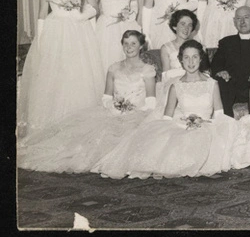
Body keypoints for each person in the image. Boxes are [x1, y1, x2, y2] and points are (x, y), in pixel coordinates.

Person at [93, 40, 237, 179]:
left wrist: (204, 123)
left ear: (201, 59)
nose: (191, 62)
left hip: (206, 128)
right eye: (186, 58)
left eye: (195, 57)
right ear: (181, 60)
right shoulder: (176, 86)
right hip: (183, 128)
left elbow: (219, 115)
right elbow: (167, 118)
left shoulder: (212, 84)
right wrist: (182, 125)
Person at [18, 30, 157, 173]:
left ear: (141, 46)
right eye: (126, 43)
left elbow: (151, 101)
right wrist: (114, 109)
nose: (129, 47)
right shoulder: (114, 68)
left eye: (133, 43)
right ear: (122, 46)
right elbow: (107, 97)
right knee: (85, 140)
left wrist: (133, 112)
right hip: (113, 112)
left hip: (138, 114)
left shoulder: (147, 70)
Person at [18, 0, 102, 136]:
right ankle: (54, 122)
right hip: (55, 29)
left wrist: (81, 16)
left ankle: (78, 123)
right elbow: (41, 12)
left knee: (78, 74)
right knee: (56, 74)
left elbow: (94, 6)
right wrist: (40, 39)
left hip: (78, 30)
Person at [210, 6, 250, 117]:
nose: (242, 22)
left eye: (246, 17)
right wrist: (221, 71)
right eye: (239, 18)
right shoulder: (226, 42)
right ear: (234, 22)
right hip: (231, 87)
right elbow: (216, 63)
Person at [159, 9, 199, 89]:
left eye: (190, 25)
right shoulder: (166, 48)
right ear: (174, 26)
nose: (186, 28)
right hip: (175, 86)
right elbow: (166, 76)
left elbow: (204, 72)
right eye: (182, 24)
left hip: (195, 84)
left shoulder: (198, 46)